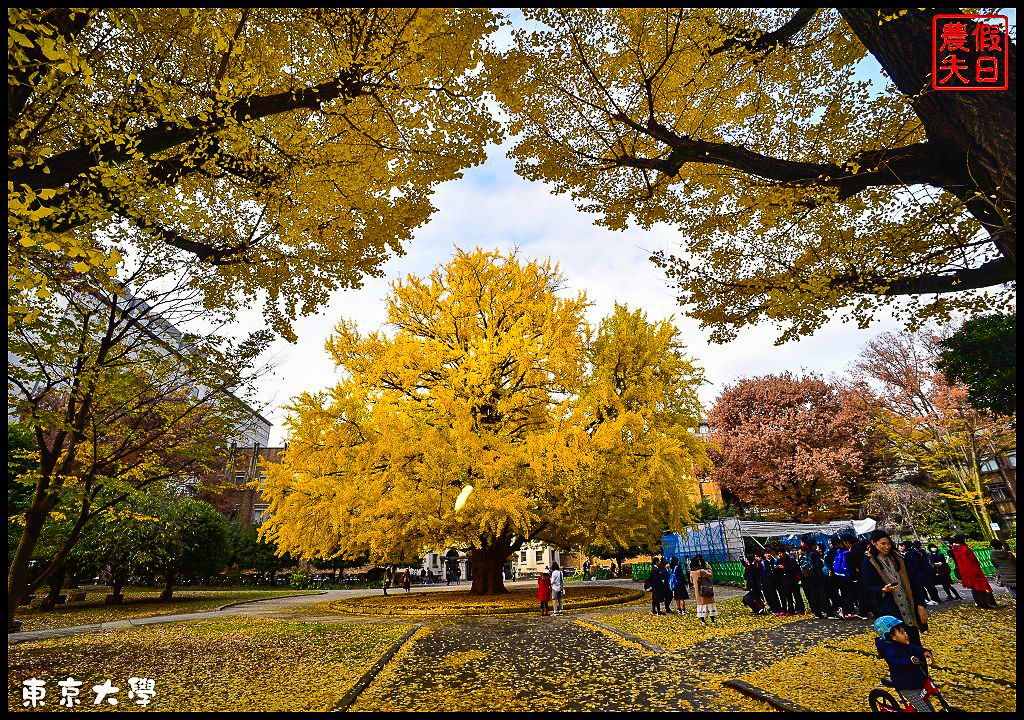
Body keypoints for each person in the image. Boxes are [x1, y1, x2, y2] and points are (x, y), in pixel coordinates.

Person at [863, 530, 928, 646]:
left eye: (888, 543)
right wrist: (882, 589)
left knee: (914, 639)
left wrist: (920, 604)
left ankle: (919, 662)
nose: (887, 547)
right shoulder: (870, 561)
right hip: (890, 609)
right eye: (883, 544)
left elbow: (913, 582)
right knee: (899, 643)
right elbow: (867, 586)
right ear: (874, 543)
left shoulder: (898, 558)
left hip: (908, 606)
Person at [873, 615, 935, 713]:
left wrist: (923, 652)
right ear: (893, 637)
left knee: (929, 705)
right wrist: (909, 661)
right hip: (906, 685)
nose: (906, 635)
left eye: (904, 632)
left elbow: (913, 648)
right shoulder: (890, 650)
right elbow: (895, 663)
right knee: (925, 710)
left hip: (915, 681)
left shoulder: (902, 644)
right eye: (902, 633)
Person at [950, 535, 997, 608]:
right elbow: (973, 559)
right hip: (973, 570)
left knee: (974, 587)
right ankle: (986, 603)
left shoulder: (955, 550)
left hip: (965, 571)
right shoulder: (964, 549)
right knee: (981, 586)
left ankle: (979, 602)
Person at [902, 542, 939, 606]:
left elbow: (914, 564)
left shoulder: (910, 554)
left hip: (919, 573)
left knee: (927, 586)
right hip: (923, 572)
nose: (902, 547)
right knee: (926, 587)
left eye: (903, 546)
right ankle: (931, 599)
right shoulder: (916, 552)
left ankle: (933, 599)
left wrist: (912, 572)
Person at [690, 555, 717, 626]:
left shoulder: (692, 572)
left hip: (698, 592)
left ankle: (703, 621)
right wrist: (709, 567)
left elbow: (691, 581)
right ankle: (713, 621)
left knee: (701, 606)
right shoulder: (701, 571)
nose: (700, 562)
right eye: (698, 561)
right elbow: (710, 574)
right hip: (705, 589)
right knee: (709, 605)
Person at [759, 550, 782, 614]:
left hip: (776, 580)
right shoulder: (763, 563)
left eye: (769, 553)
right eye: (766, 553)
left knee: (778, 595)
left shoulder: (774, 561)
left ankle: (779, 608)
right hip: (768, 582)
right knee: (771, 595)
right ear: (764, 555)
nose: (768, 555)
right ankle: (774, 608)